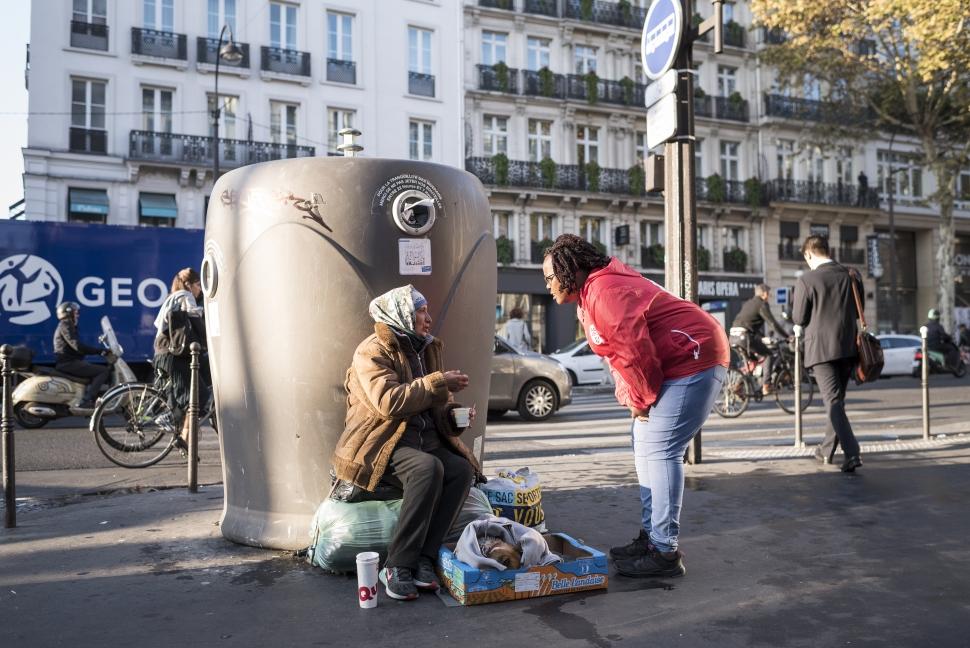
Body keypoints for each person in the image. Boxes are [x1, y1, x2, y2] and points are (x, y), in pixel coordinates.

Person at [542, 234, 729, 578]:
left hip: (695, 355)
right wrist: (633, 400)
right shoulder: (589, 297)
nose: (548, 284)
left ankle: (664, 551)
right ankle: (653, 537)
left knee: (661, 449)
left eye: (550, 277)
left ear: (571, 270)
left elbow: (635, 353)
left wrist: (641, 399)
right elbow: (616, 357)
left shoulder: (605, 292)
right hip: (679, 359)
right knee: (643, 442)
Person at [331, 285, 480, 601]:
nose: (428, 318)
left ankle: (425, 558)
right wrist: (438, 382)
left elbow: (439, 402)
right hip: (384, 443)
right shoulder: (372, 350)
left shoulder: (426, 348)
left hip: (423, 439)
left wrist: (457, 415)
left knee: (460, 469)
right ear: (400, 314)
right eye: (420, 312)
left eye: (426, 311)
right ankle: (397, 565)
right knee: (428, 468)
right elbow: (387, 402)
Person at [792, 235, 863, 473]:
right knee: (837, 401)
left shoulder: (807, 279)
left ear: (809, 254)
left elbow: (799, 318)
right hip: (848, 347)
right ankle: (826, 450)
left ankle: (852, 452)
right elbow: (858, 308)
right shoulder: (851, 274)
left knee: (833, 402)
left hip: (821, 349)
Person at [152, 268, 207, 447]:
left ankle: (185, 441)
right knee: (198, 395)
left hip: (162, 351)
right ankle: (170, 419)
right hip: (172, 354)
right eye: (198, 285)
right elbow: (195, 317)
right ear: (188, 284)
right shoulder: (186, 295)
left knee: (186, 395)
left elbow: (158, 325)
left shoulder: (171, 297)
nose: (200, 289)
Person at [732, 283, 790, 395]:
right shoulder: (762, 304)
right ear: (764, 294)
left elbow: (750, 325)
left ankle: (738, 386)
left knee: (753, 362)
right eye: (768, 294)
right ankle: (766, 385)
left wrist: (763, 338)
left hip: (734, 337)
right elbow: (772, 323)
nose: (769, 296)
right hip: (745, 337)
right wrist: (787, 336)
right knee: (768, 355)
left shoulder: (748, 303)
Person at [52, 301, 110, 408]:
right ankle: (87, 400)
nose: (77, 314)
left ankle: (87, 400)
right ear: (68, 313)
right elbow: (77, 346)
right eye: (75, 312)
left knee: (93, 369)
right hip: (68, 363)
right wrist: (99, 351)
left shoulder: (67, 325)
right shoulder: (66, 324)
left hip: (69, 361)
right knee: (103, 371)